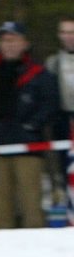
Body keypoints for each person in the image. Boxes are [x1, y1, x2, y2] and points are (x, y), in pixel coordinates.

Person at [0, 20, 57, 228]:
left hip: (27, 148)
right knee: (0, 209)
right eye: (4, 40)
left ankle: (36, 245)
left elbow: (50, 104)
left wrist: (31, 126)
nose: (8, 45)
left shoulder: (39, 74)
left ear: (25, 43)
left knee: (31, 206)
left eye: (13, 40)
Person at [44, 16, 74, 198]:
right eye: (64, 32)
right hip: (62, 122)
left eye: (71, 32)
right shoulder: (53, 62)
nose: (68, 36)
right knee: (65, 168)